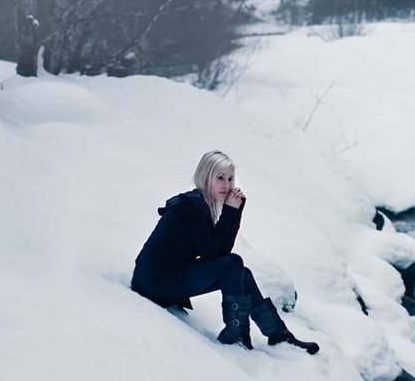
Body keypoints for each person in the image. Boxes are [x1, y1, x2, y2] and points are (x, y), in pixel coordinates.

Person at [131, 150, 319, 354]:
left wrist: (234, 211)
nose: (226, 184)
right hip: (156, 282)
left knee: (240, 272)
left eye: (229, 179)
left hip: (167, 277)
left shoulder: (202, 204)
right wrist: (230, 211)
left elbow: (219, 253)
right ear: (205, 176)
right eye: (220, 177)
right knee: (233, 263)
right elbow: (214, 255)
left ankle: (278, 334)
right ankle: (236, 332)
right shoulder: (190, 207)